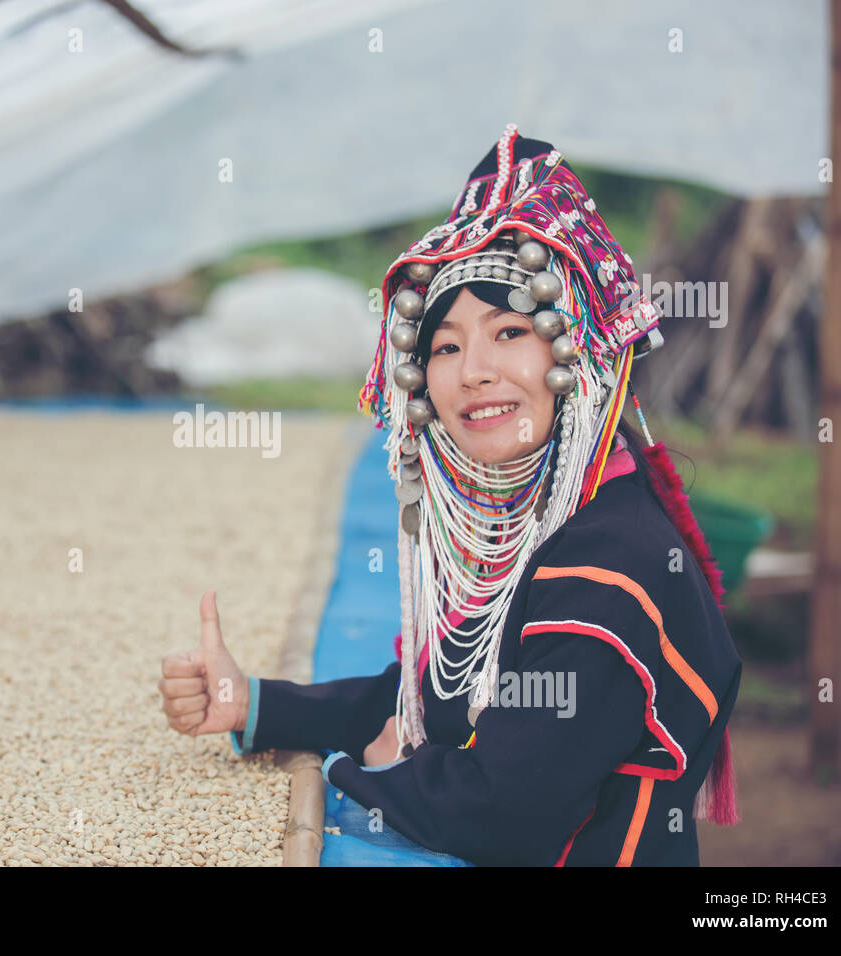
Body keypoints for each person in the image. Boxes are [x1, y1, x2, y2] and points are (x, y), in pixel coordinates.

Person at [158, 125, 741, 866]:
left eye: (508, 332)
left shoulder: (606, 570)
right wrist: (256, 705)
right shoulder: (539, 521)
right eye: (445, 346)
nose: (473, 372)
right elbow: (435, 697)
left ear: (580, 353)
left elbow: (498, 813)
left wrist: (369, 768)